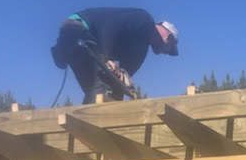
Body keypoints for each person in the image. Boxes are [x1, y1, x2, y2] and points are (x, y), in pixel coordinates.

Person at [51, 8, 179, 103]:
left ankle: (84, 126)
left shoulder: (140, 50)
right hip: (79, 29)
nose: (164, 53)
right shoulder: (145, 20)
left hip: (78, 38)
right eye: (168, 49)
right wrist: (107, 58)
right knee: (102, 91)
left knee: (99, 92)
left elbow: (122, 77)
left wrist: (124, 87)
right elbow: (110, 24)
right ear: (168, 37)